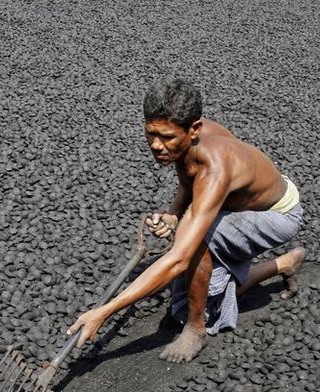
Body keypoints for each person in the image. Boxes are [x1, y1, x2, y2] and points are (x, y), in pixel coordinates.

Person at [68, 78, 305, 363]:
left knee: (195, 267)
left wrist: (103, 312)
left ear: (194, 130)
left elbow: (180, 258)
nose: (156, 145)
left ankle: (196, 330)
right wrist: (173, 214)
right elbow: (188, 179)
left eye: (166, 137)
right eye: (150, 134)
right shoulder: (188, 140)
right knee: (189, 278)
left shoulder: (214, 166)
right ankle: (284, 264)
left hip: (276, 216)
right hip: (239, 204)